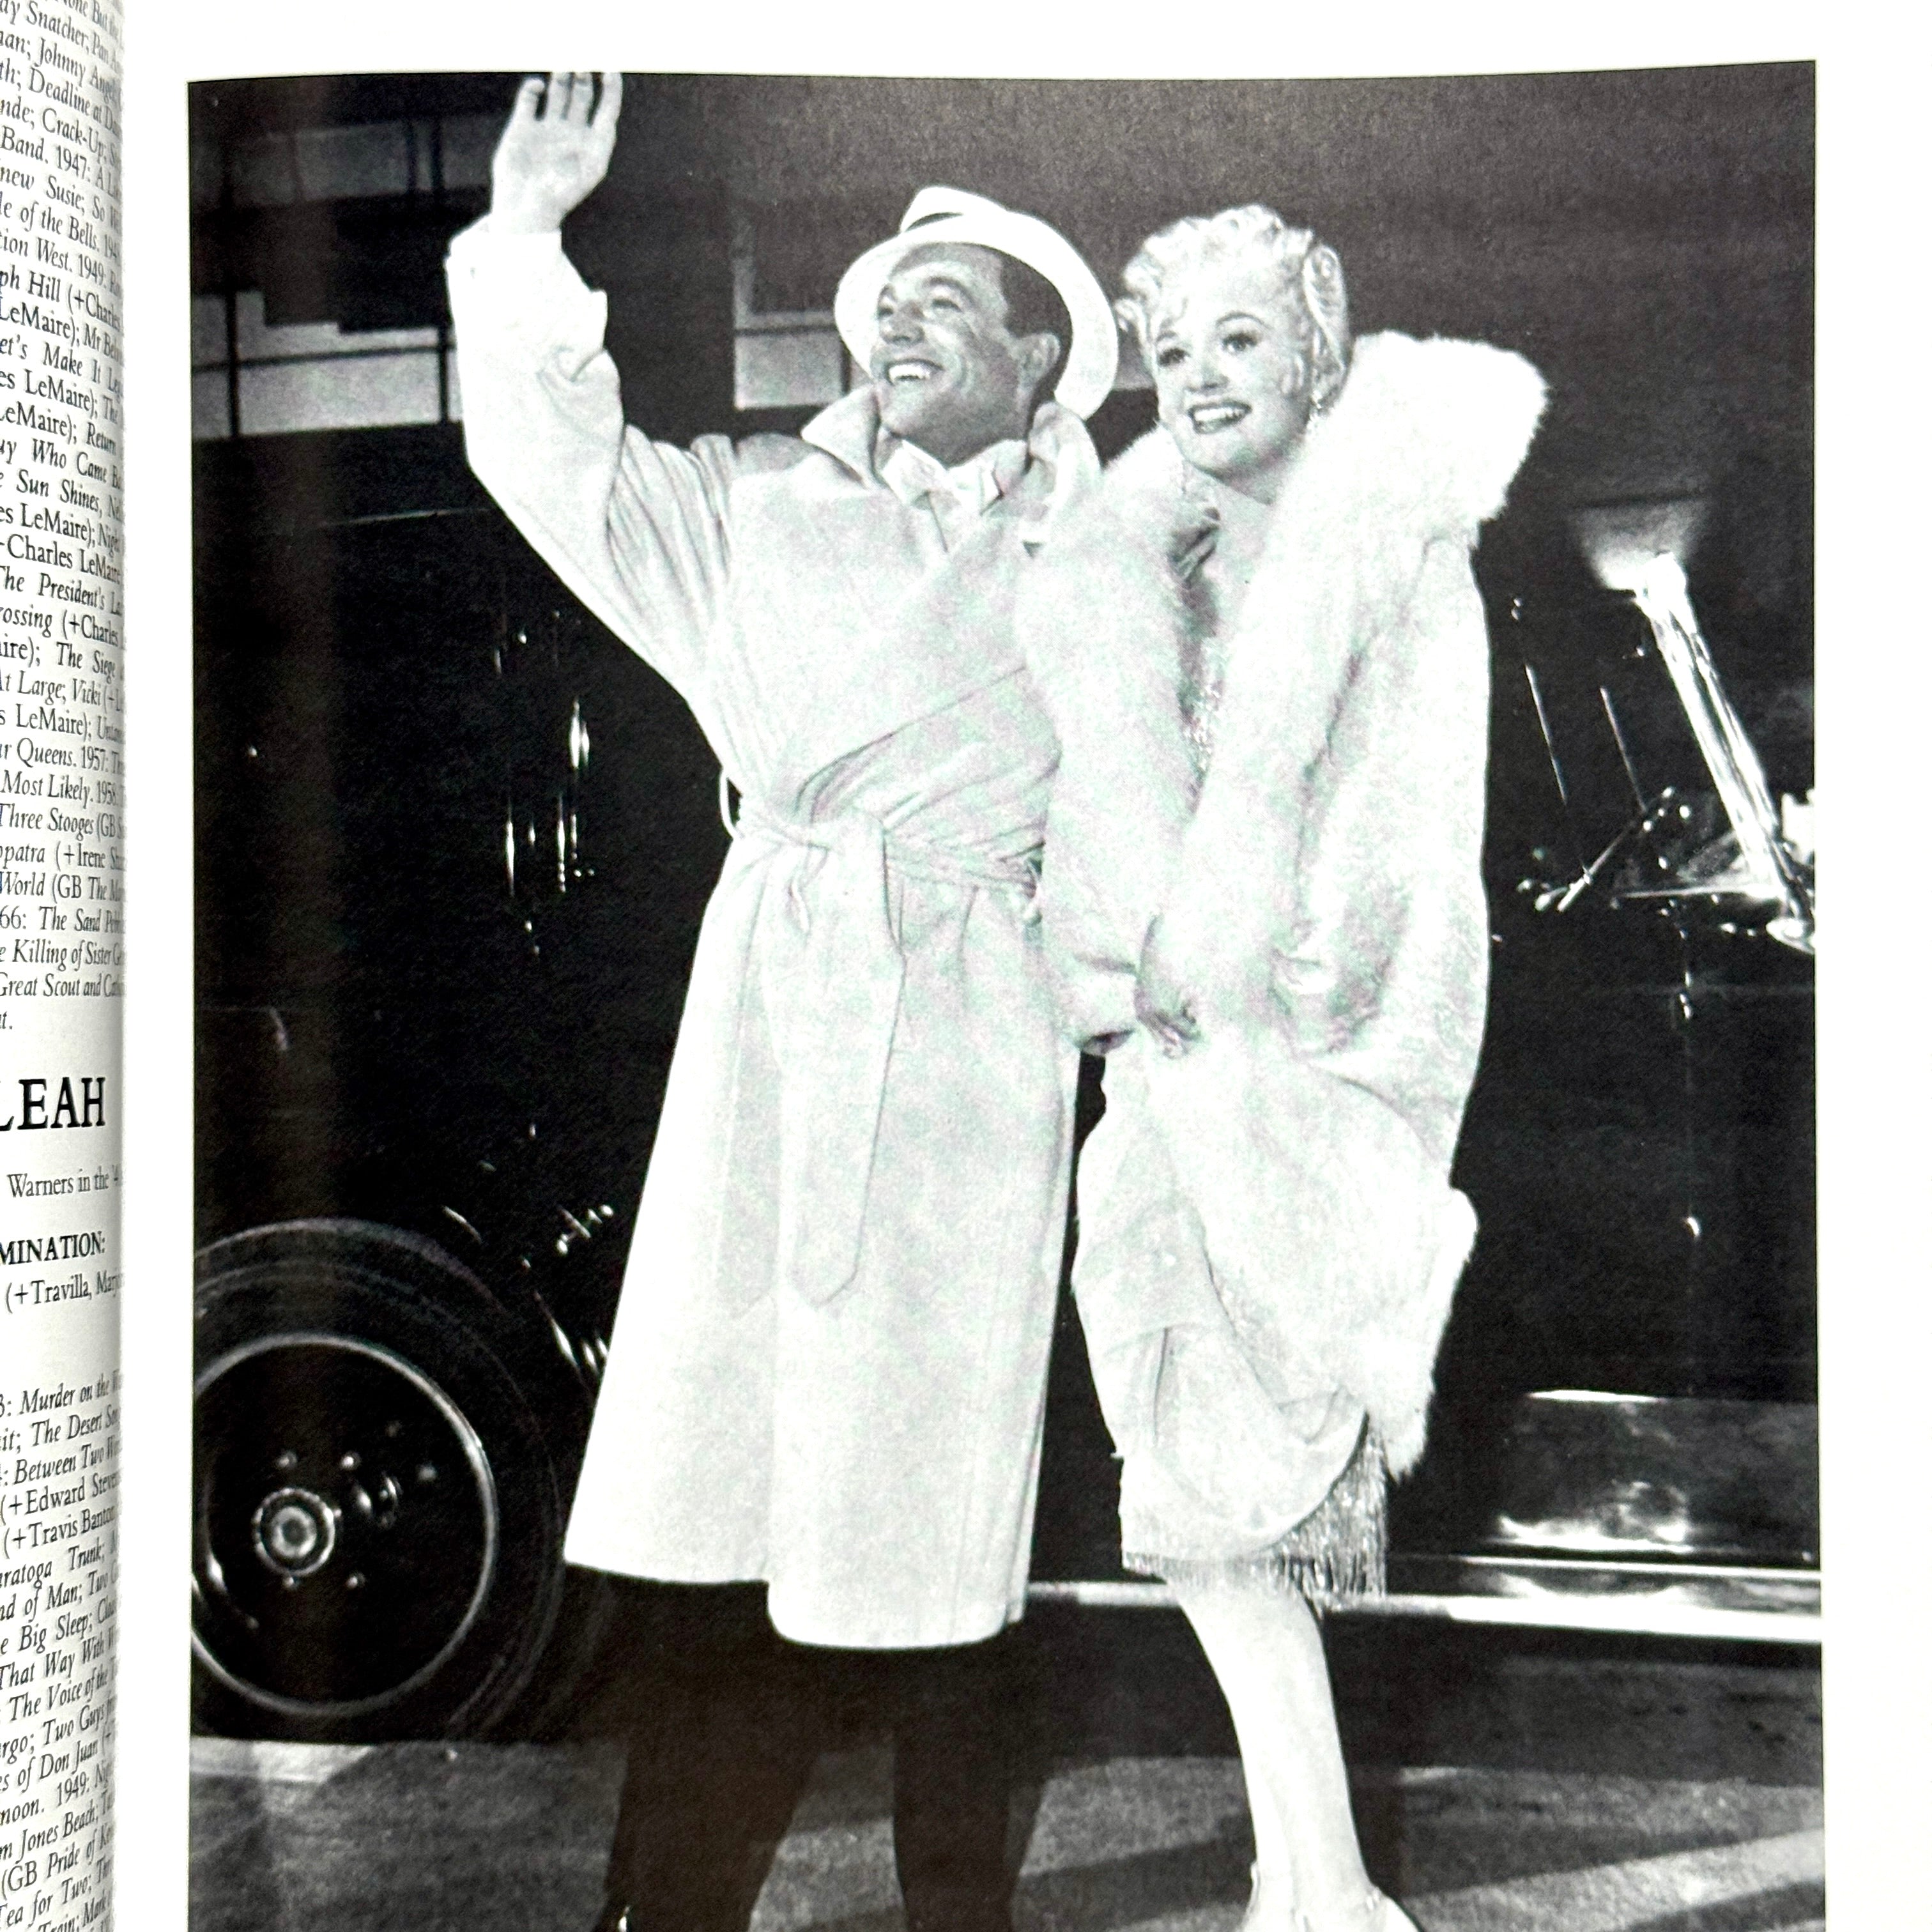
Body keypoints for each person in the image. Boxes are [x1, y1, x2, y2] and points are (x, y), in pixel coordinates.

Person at [445, 73, 1119, 1932]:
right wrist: (526, 237)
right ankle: (663, 1913)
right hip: (772, 1030)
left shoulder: (1118, 561)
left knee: (943, 1549)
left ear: (1042, 363)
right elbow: (558, 464)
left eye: (946, 304)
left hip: (973, 1054)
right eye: (884, 302)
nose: (897, 323)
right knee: (733, 1527)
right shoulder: (751, 509)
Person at [1018, 206, 1545, 1930]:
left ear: (1318, 349)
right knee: (1205, 1530)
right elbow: (1097, 837)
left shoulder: (1390, 562)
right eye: (1174, 351)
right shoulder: (1134, 573)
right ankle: (1304, 1883)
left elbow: (1408, 858)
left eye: (1237, 338)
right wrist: (1122, 979)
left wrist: (1249, 1000)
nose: (1199, 376)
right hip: (1168, 1103)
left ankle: (1324, 1896)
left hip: (1305, 1096)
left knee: (1229, 1529)